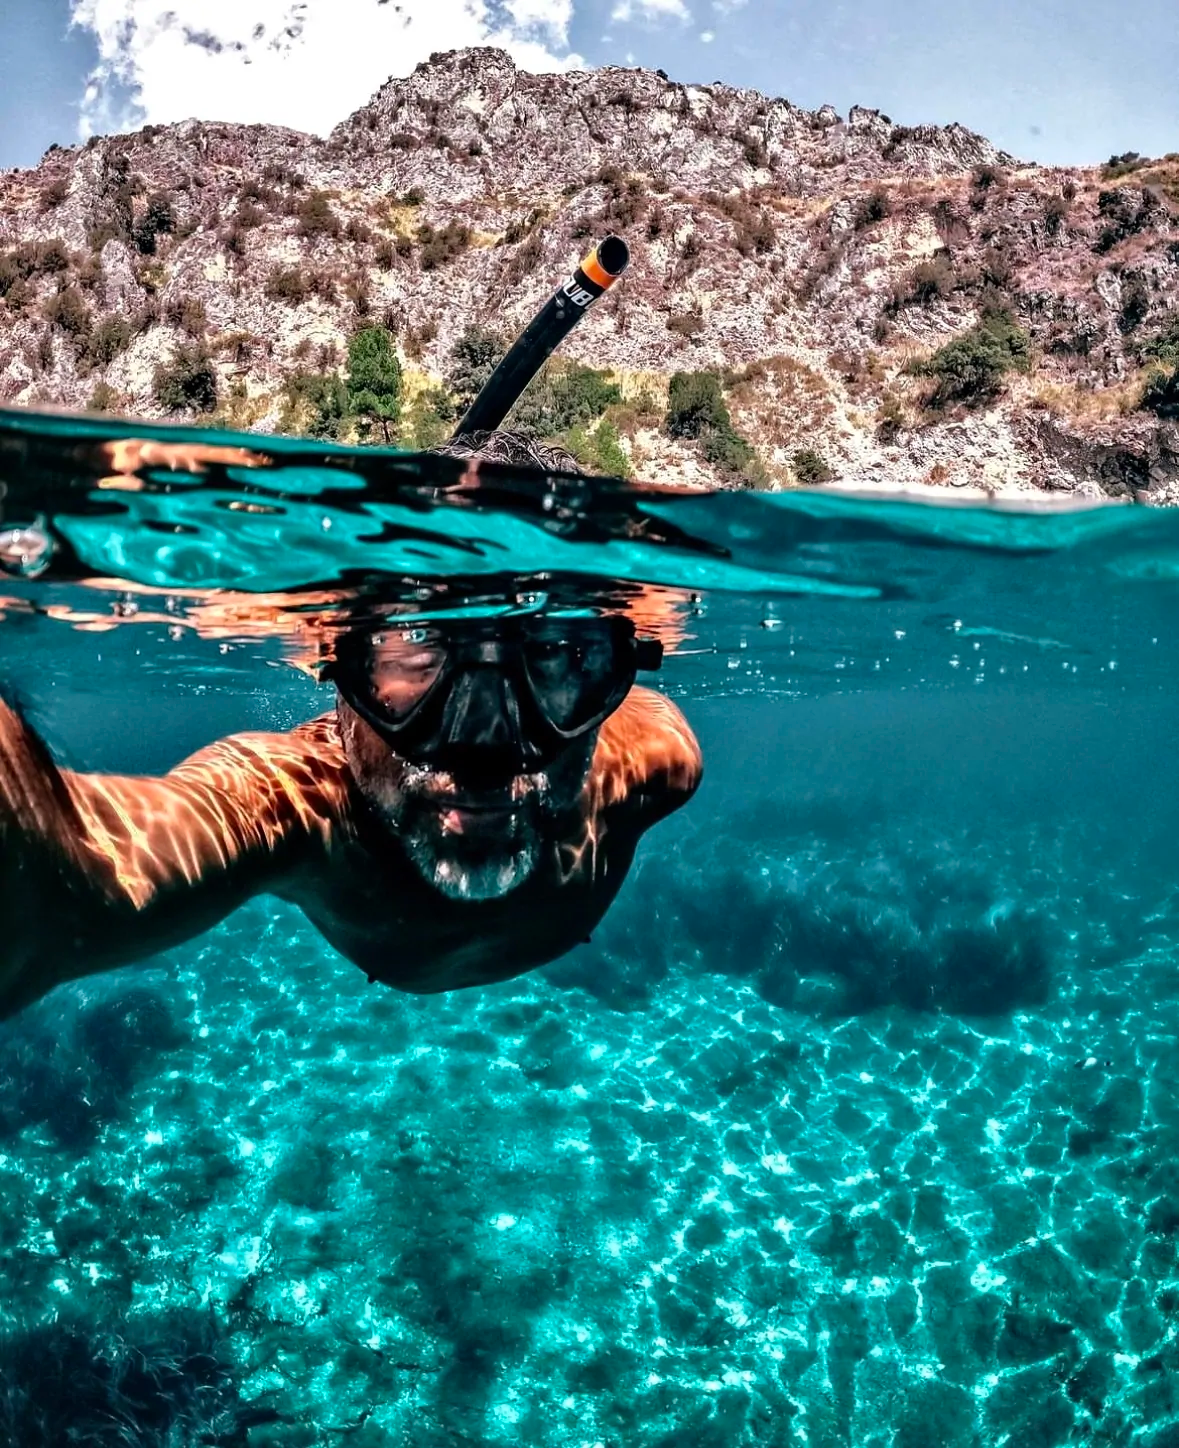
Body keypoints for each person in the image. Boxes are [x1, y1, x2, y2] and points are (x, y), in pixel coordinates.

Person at [0, 431, 702, 1020]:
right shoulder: (292, 806)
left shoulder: (654, 762)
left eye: (557, 658)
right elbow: (59, 890)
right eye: (417, 650)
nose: (485, 741)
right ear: (336, 671)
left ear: (614, 680)